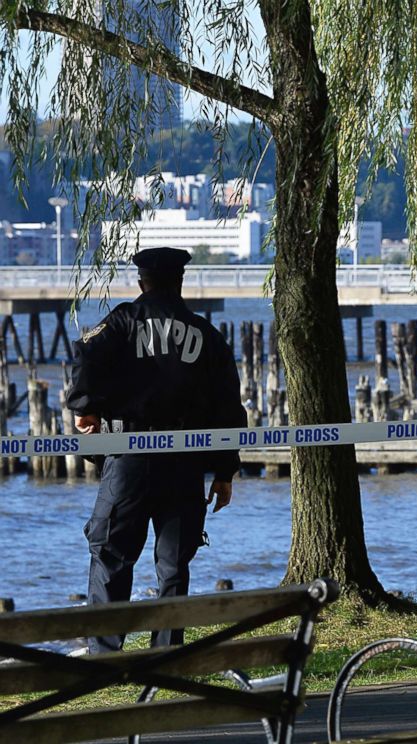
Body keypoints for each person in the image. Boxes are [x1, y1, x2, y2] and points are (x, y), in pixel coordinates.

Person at [67, 247, 247, 652]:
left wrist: (86, 408)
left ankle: (105, 653)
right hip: (185, 460)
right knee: (173, 563)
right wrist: (224, 470)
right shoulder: (206, 334)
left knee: (112, 553)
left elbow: (84, 353)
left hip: (129, 455)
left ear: (141, 282)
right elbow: (228, 406)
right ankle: (165, 652)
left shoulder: (122, 321)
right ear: (179, 281)